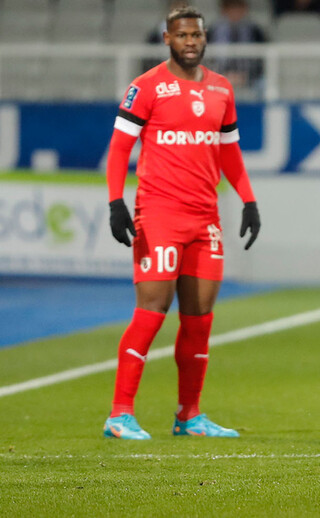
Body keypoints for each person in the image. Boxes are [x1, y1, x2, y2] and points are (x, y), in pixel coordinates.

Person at [103, 6, 261, 440]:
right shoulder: (146, 87)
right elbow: (119, 150)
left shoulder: (222, 90)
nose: (190, 41)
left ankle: (189, 416)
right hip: (159, 213)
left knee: (200, 318)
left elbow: (228, 151)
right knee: (152, 311)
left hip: (205, 217)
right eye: (182, 35)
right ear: (167, 39)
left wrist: (248, 200)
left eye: (197, 34)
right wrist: (116, 202)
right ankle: (119, 415)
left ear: (205, 38)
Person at [206, 0, 268, 88]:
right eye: (231, 8)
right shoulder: (212, 30)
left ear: (245, 9)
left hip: (250, 76)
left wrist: (247, 76)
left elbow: (262, 57)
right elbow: (207, 58)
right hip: (219, 74)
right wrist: (223, 74)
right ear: (223, 10)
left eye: (238, 8)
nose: (235, 12)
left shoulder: (255, 30)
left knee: (263, 83)